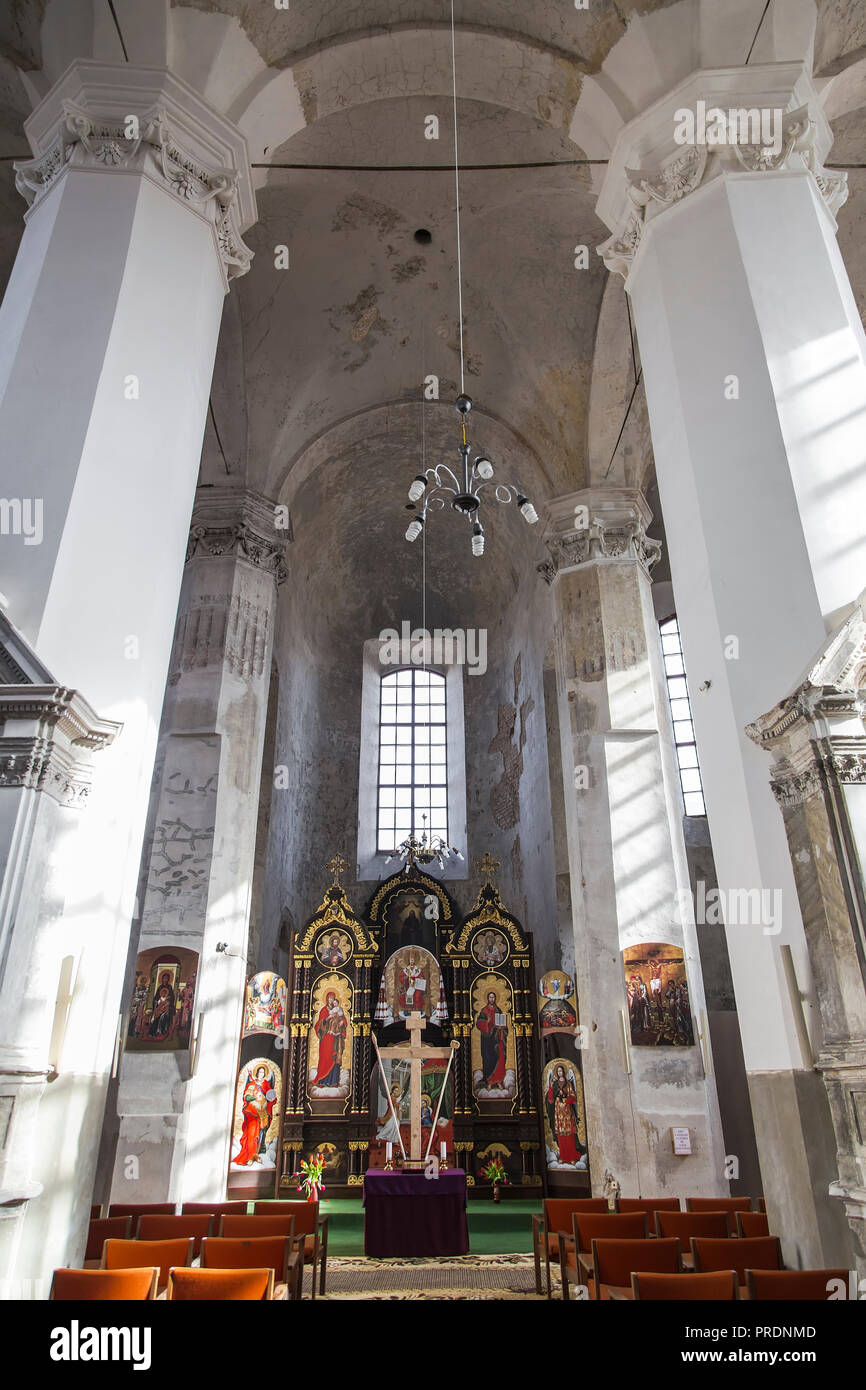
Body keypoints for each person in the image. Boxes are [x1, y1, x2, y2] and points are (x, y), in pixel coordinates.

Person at [233, 1066, 277, 1165]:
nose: (261, 1074)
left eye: (262, 1072)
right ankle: (250, 1155)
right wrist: (254, 1096)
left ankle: (256, 1153)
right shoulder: (252, 1084)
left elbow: (271, 1096)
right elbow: (247, 1097)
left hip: (263, 1112)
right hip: (253, 1112)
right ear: (256, 1073)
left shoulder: (265, 1084)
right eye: (259, 1072)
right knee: (252, 1133)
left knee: (262, 1132)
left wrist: (270, 1097)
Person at [546, 1064, 583, 1165]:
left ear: (564, 1072)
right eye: (558, 1072)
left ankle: (571, 1156)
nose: (559, 1073)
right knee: (560, 1134)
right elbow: (550, 1099)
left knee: (569, 1133)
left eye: (561, 1071)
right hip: (558, 1110)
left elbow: (573, 1097)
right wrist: (550, 1087)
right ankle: (563, 1156)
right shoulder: (555, 1084)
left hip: (566, 1110)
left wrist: (566, 1103)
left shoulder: (568, 1083)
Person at [313, 990, 347, 1086]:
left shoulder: (338, 1009)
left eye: (332, 998)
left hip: (336, 1039)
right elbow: (318, 1025)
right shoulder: (324, 1010)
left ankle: (334, 1081)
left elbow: (343, 1019)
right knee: (325, 1058)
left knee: (335, 1058)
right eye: (329, 998)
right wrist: (328, 1018)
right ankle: (322, 1080)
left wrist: (342, 1022)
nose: (330, 1000)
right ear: (327, 999)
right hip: (326, 1038)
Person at [476, 990, 507, 1087]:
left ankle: (498, 1081)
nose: (492, 999)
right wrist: (487, 1022)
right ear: (487, 998)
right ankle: (489, 1081)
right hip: (488, 1041)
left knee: (500, 1057)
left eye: (493, 997)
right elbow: (479, 1023)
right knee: (488, 1059)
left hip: (497, 1039)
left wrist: (502, 1028)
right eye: (490, 997)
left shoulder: (498, 1010)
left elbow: (504, 1025)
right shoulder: (484, 1010)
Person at [148, 971, 175, 1039]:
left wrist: (167, 1001)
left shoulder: (169, 987)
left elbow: (172, 997)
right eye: (164, 978)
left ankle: (161, 1030)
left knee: (163, 1016)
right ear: (162, 979)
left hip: (166, 1007)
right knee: (156, 1016)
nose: (165, 980)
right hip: (159, 1007)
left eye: (166, 978)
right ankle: (152, 1032)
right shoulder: (160, 987)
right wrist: (157, 1001)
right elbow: (156, 997)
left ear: (168, 979)